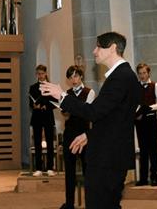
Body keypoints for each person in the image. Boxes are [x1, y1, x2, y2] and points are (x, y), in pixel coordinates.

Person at [40, 32, 140, 209]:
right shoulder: (123, 76)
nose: (94, 51)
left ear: (113, 48)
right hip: (110, 153)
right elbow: (112, 119)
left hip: (108, 158)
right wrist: (90, 134)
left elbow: (93, 112)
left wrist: (62, 96)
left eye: (99, 46)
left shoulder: (121, 77)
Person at [59, 65, 95, 209]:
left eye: (75, 76)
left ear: (81, 76)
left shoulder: (89, 92)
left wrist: (71, 107)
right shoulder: (66, 93)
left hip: (84, 135)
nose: (73, 80)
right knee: (69, 171)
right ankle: (69, 203)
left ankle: (90, 203)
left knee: (88, 171)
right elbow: (66, 113)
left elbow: (88, 112)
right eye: (70, 77)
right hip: (69, 134)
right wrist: (65, 112)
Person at [134, 62, 157, 187]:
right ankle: (143, 178)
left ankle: (154, 177)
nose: (142, 76)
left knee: (152, 149)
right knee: (143, 150)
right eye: (140, 73)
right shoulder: (135, 86)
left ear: (148, 73)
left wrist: (150, 108)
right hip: (140, 121)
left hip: (151, 120)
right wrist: (136, 112)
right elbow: (133, 103)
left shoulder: (154, 85)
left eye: (144, 73)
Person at [28, 64, 57, 176]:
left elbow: (55, 103)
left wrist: (46, 106)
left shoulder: (51, 87)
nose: (40, 76)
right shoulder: (33, 87)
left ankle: (50, 167)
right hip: (37, 117)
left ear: (45, 73)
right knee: (37, 143)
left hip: (48, 117)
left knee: (50, 142)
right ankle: (38, 168)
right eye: (38, 74)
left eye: (42, 73)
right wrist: (35, 106)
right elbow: (31, 103)